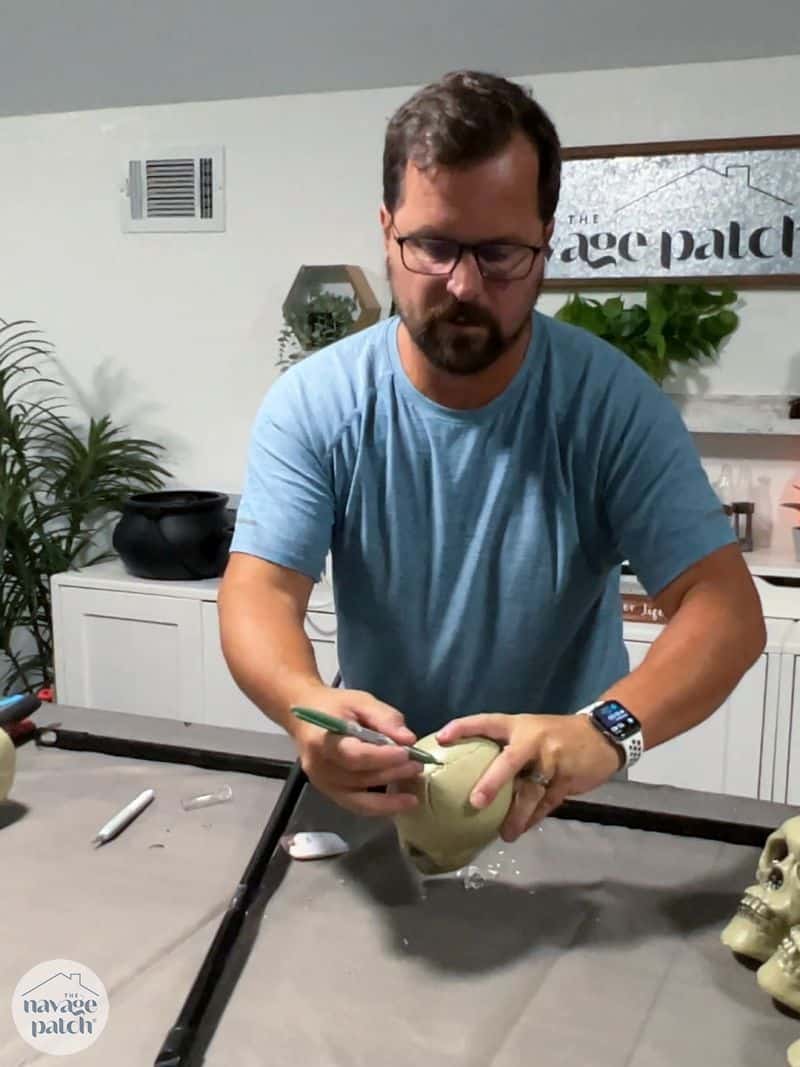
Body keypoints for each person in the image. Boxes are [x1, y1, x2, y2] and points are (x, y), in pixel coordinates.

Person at [218, 70, 765, 842]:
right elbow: (260, 594)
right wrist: (302, 705)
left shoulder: (611, 405)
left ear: (547, 241)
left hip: (563, 793)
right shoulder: (318, 405)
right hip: (382, 785)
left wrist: (608, 730)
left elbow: (726, 609)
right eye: (434, 246)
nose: (465, 285)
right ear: (386, 231)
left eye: (502, 252)